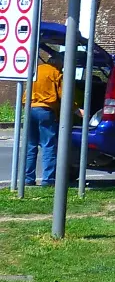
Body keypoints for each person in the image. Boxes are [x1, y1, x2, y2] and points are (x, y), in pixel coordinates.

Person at [24, 49, 62, 187]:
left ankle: (28, 179)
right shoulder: (56, 73)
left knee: (31, 145)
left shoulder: (36, 70)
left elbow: (26, 94)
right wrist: (77, 111)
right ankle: (48, 180)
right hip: (46, 110)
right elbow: (64, 95)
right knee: (48, 145)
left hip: (30, 108)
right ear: (57, 63)